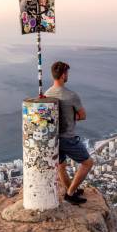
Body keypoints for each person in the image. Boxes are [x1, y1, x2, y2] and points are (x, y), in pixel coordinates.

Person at [45, 61, 94, 205]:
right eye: (67, 73)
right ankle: (70, 193)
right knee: (88, 163)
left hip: (53, 138)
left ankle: (69, 188)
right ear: (63, 75)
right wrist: (72, 116)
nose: (68, 75)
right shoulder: (71, 95)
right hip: (67, 137)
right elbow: (83, 115)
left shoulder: (47, 94)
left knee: (61, 165)